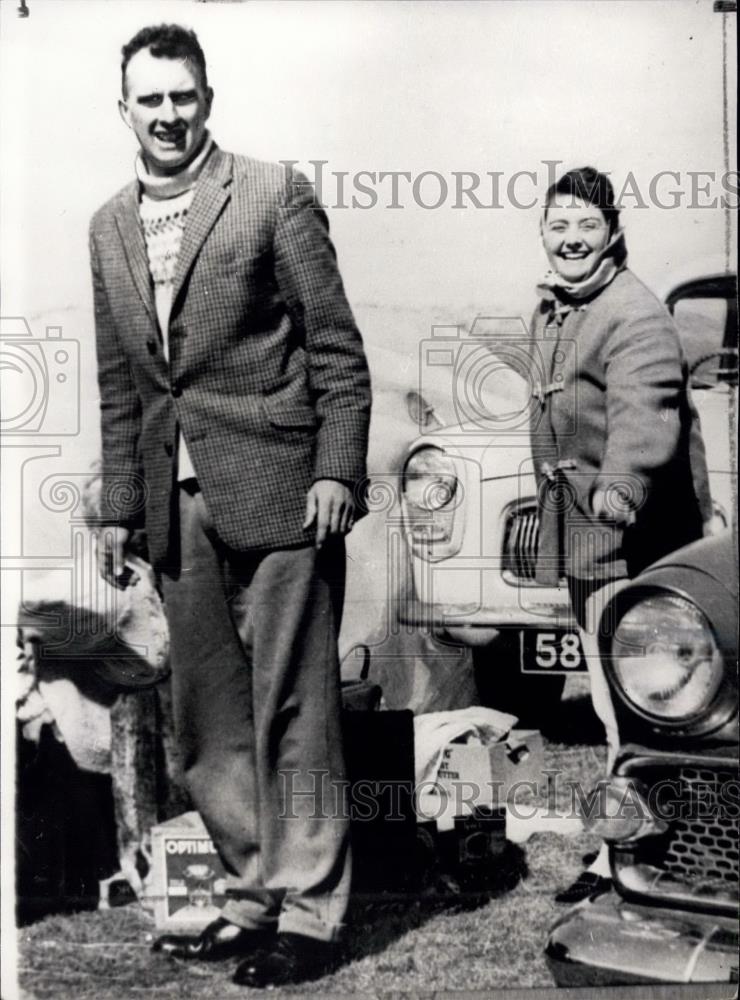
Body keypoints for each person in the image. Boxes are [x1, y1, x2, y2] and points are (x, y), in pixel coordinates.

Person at [90, 24, 371, 987]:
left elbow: (336, 347)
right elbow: (123, 387)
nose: (168, 114)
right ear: (121, 106)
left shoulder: (270, 194)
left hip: (286, 489)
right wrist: (122, 506)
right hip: (177, 513)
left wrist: (339, 469)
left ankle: (311, 912)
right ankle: (251, 897)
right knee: (206, 719)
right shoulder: (107, 227)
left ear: (208, 97)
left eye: (183, 95)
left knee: (295, 708)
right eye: (149, 98)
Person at [528, 166, 711, 903]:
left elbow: (647, 415)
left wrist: (622, 484)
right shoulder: (556, 308)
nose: (571, 239)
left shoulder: (632, 313)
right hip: (585, 539)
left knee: (632, 704)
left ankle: (633, 854)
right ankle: (643, 845)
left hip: (633, 540)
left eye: (586, 226)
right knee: (618, 701)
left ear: (614, 234)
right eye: (558, 225)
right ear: (543, 233)